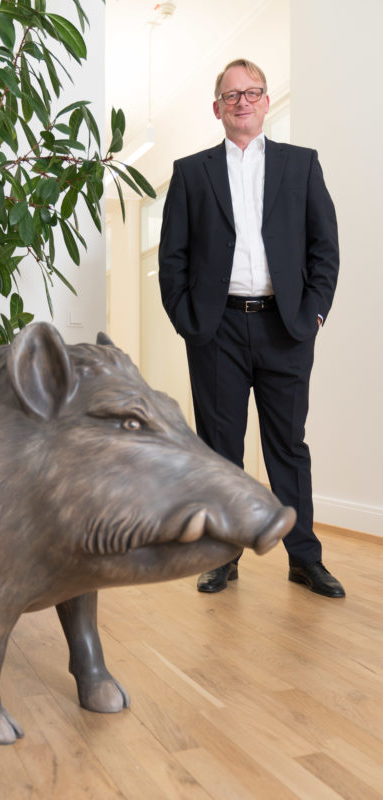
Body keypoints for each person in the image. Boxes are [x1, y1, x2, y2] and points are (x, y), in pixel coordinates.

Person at [158, 58, 345, 598]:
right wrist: (188, 321)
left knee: (288, 444)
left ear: (267, 103)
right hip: (216, 331)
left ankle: (304, 558)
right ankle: (222, 556)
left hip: (285, 328)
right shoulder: (191, 172)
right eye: (232, 94)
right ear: (217, 107)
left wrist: (312, 314)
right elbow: (173, 257)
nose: (243, 101)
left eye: (253, 92)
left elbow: (324, 249)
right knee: (220, 449)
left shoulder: (301, 165)